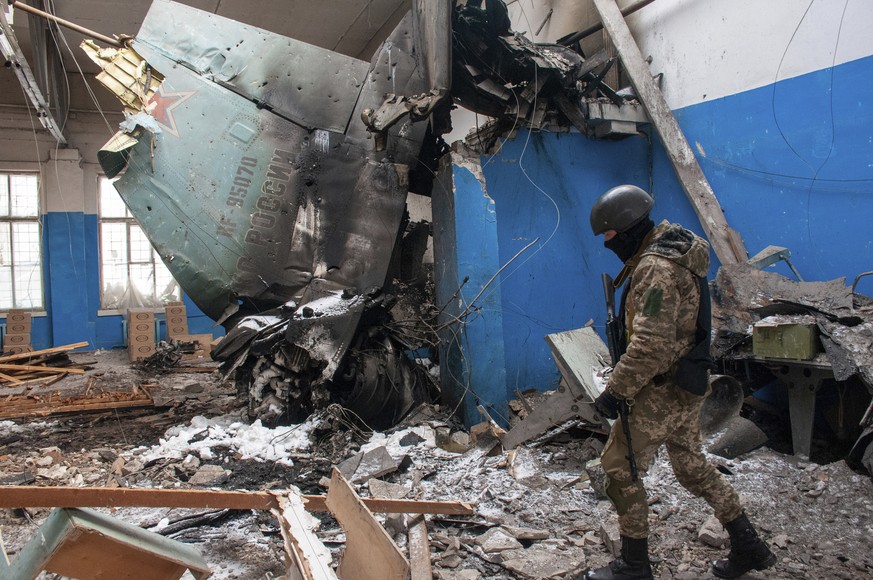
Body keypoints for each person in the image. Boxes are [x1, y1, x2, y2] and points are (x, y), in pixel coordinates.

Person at [582, 184, 776, 580]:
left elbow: (651, 344)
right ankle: (749, 545)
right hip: (687, 382)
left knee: (617, 467)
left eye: (609, 235)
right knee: (690, 466)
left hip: (661, 390)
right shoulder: (679, 250)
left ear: (628, 227)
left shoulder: (656, 268)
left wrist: (615, 391)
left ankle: (634, 565)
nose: (606, 243)